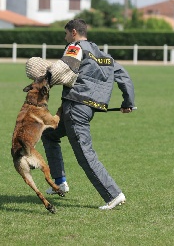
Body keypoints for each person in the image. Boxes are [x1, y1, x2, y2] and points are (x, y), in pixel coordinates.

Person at [41, 19, 135, 210]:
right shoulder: (104, 56)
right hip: (87, 108)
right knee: (49, 135)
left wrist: (42, 79)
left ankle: (113, 194)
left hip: (75, 107)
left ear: (74, 32)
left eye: (66, 34)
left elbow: (62, 69)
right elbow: (124, 77)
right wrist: (128, 103)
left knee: (85, 154)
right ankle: (60, 182)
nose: (65, 38)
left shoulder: (74, 47)